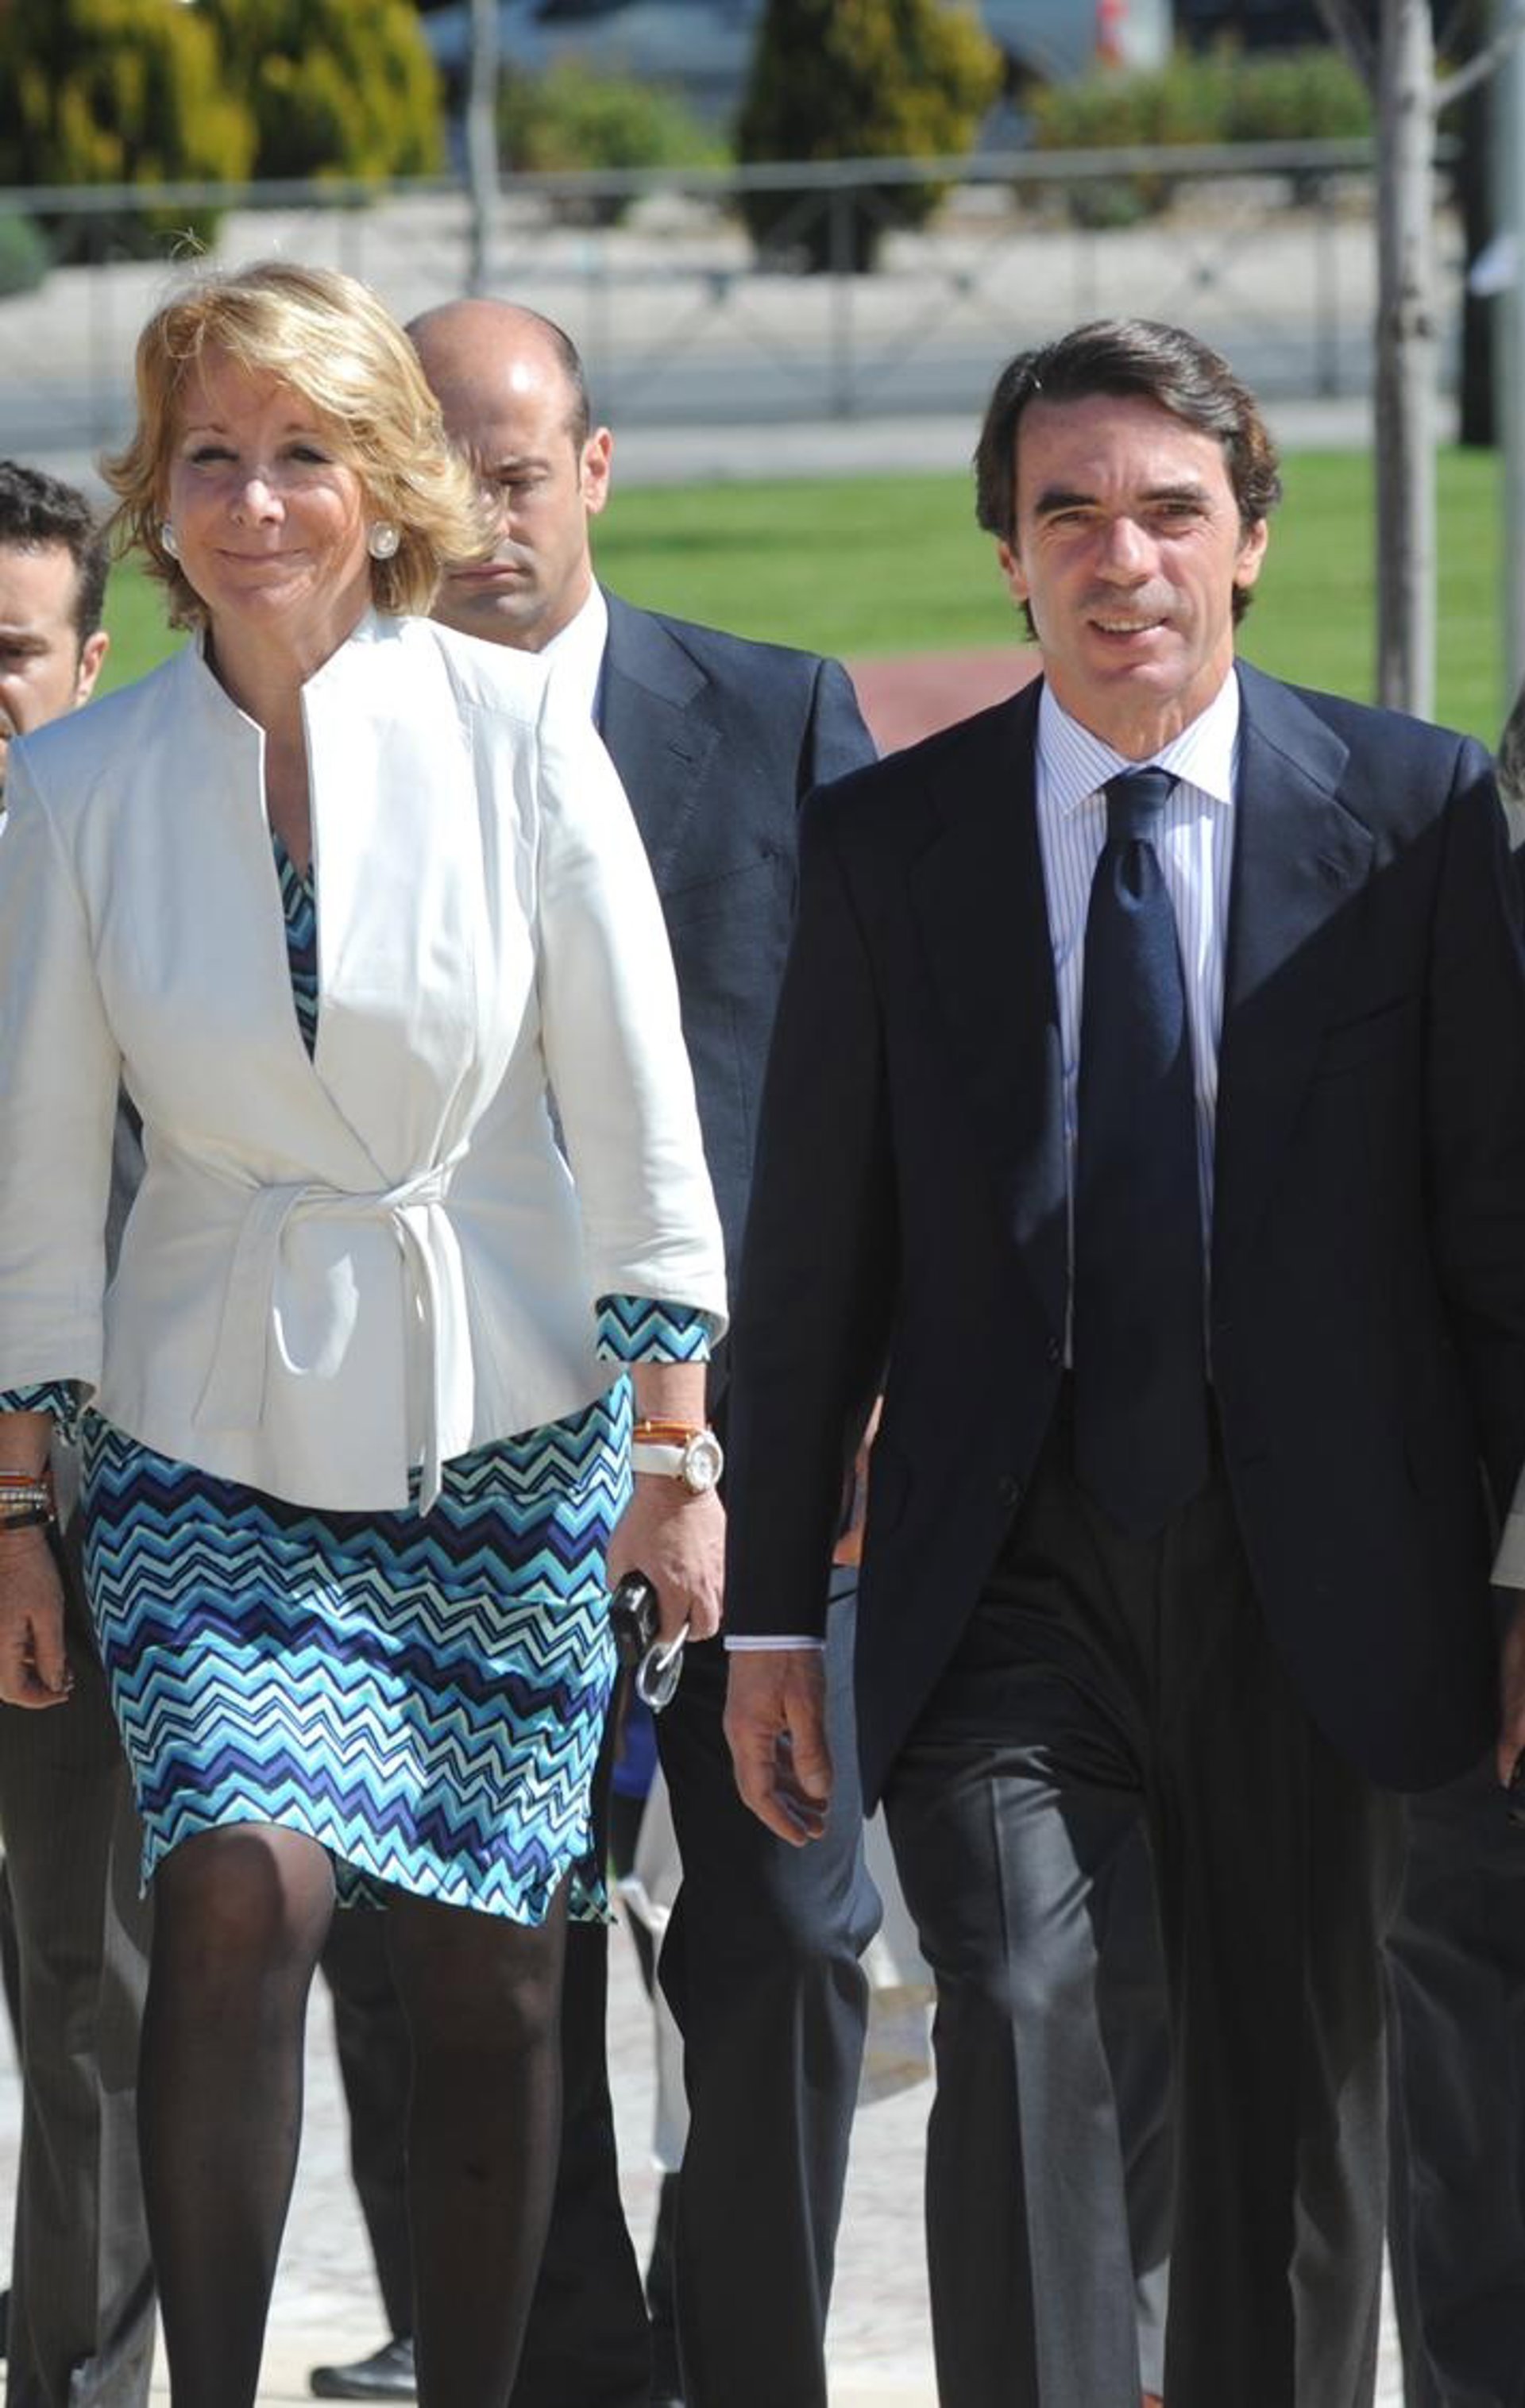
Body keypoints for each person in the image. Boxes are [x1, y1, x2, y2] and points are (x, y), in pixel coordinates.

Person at [722, 315, 1525, 2408]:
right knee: (1019, 2007)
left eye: (1173, 510)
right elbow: (814, 1266)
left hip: (1328, 1571)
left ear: (1251, 538)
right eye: (1068, 512)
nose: (1124, 559)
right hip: (1009, 1564)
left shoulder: (1419, 816)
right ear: (1008, 553)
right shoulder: (892, 846)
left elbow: (1499, 1247)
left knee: (1291, 2108)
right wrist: (775, 1617)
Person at [0, 259, 727, 2408]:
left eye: (304, 453)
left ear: (383, 479)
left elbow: (640, 1116)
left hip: (509, 1433)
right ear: (159, 495)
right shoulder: (88, 786)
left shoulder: (522, 740)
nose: (254, 502)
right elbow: (38, 1180)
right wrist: (17, 1502)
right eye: (211, 457)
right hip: (203, 1434)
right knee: (236, 1888)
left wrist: (675, 1454)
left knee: (497, 1980)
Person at [304, 295, 882, 2408]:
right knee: (469, 1976)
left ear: (600, 470)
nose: (483, 522)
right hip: (435, 1474)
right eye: (439, 480)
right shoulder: (312, 750)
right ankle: (573, 2371)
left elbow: (892, 1085)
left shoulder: (780, 718)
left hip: (753, 1462)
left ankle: (752, 2367)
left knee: (790, 1945)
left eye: (522, 475)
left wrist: (867, 1398)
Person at [0, 460, 155, 2408]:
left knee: (88, 1992)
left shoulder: (138, 885)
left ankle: (84, 2384)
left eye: (9, 649)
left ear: (90, 664)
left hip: (70, 1520)